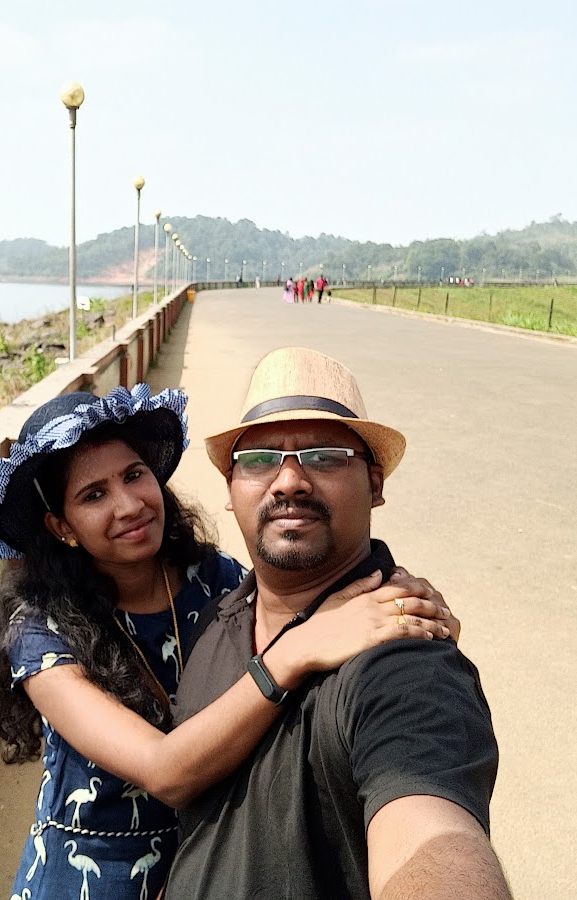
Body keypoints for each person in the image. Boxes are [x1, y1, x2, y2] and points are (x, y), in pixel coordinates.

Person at [0, 384, 457, 900]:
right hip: (91, 874)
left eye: (134, 475)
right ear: (61, 526)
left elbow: (310, 610)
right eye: (94, 495)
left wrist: (409, 611)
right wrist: (293, 652)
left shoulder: (212, 578)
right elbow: (163, 770)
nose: (129, 505)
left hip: (201, 853)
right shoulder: (40, 632)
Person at [164, 348, 511, 900]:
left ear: (375, 484)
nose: (289, 481)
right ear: (229, 490)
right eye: (259, 459)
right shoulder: (215, 617)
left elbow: (435, 841)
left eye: (324, 457)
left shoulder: (404, 657)